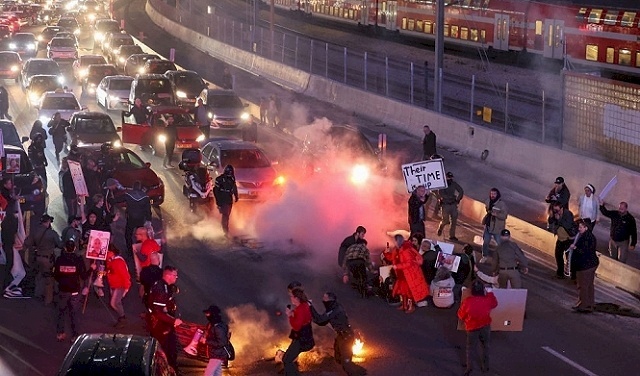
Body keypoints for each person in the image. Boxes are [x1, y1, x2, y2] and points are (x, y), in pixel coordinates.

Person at [310, 292, 367, 376]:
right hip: (341, 336)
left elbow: (320, 320)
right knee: (338, 358)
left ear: (330, 299)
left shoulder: (335, 310)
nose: (323, 299)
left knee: (346, 363)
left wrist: (310, 307)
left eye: (325, 298)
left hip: (346, 337)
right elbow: (322, 322)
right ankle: (356, 370)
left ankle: (358, 373)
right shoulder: (332, 308)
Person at [53, 240, 95, 341]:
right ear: (75, 249)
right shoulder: (78, 259)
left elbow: (56, 275)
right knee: (74, 313)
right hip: (74, 290)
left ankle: (60, 333)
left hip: (63, 289)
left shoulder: (59, 259)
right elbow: (84, 275)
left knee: (61, 312)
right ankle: (75, 335)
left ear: (65, 248)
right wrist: (92, 269)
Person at [458, 280, 498, 376]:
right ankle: (485, 367)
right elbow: (495, 303)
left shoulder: (468, 302)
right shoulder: (487, 300)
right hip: (485, 326)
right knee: (485, 346)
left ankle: (469, 367)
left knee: (470, 348)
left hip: (472, 327)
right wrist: (490, 293)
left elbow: (460, 315)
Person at [148, 266, 183, 370]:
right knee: (167, 350)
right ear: (168, 275)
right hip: (161, 326)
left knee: (170, 349)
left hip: (163, 324)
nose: (176, 278)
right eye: (175, 275)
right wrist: (173, 320)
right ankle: (167, 370)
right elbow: (158, 312)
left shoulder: (164, 286)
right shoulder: (161, 288)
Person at [24, 214, 62, 305]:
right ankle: (48, 300)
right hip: (47, 259)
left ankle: (37, 296)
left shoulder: (35, 231)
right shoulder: (52, 233)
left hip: (37, 258)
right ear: (48, 222)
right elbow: (60, 245)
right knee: (49, 279)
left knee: (39, 277)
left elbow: (27, 243)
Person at [392, 236, 429, 313]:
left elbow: (409, 263)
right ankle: (404, 305)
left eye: (394, 241)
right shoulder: (398, 249)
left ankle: (411, 307)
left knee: (408, 292)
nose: (393, 242)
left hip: (408, 274)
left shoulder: (406, 250)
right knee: (403, 291)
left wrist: (397, 266)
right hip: (402, 274)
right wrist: (386, 252)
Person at [569, 220, 599, 313]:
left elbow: (584, 252)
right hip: (591, 264)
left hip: (585, 266)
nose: (579, 229)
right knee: (589, 285)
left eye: (581, 227)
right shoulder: (589, 236)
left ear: (586, 228)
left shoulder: (586, 238)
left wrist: (575, 248)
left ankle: (584, 305)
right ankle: (590, 303)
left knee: (583, 285)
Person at [283, 287, 315, 376]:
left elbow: (297, 327)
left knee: (287, 360)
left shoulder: (301, 308)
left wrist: (290, 316)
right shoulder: (304, 306)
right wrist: (294, 313)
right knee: (287, 359)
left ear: (297, 298)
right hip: (305, 338)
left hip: (301, 339)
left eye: (292, 296)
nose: (291, 298)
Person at [548, 202, 576, 279]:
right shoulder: (555, 214)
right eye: (555, 210)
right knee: (558, 255)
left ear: (562, 208)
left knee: (569, 258)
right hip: (560, 239)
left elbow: (568, 225)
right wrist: (551, 216)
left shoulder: (568, 214)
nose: (556, 212)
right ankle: (560, 273)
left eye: (557, 210)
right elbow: (550, 223)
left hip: (568, 240)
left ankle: (574, 276)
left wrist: (559, 219)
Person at [124, 181, 152, 256]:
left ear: (133, 187)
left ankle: (130, 250)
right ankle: (140, 249)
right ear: (140, 187)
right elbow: (148, 210)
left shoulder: (128, 195)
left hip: (131, 218)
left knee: (128, 234)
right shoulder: (145, 197)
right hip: (140, 219)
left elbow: (119, 199)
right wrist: (149, 220)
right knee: (140, 234)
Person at [202, 304, 231, 376]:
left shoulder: (218, 327)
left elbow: (222, 343)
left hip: (218, 354)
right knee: (216, 373)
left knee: (208, 373)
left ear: (213, 314)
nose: (207, 315)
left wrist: (206, 341)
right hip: (217, 354)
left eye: (208, 314)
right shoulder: (214, 325)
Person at [436, 172, 464, 241]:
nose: (449, 179)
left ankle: (452, 235)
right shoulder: (442, 184)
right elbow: (440, 193)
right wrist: (447, 197)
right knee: (445, 220)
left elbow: (461, 191)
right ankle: (441, 227)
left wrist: (458, 199)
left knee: (454, 221)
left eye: (450, 177)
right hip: (445, 205)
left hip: (453, 204)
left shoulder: (454, 184)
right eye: (448, 177)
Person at [481, 188, 508, 257]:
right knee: (485, 243)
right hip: (488, 226)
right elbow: (487, 208)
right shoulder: (488, 201)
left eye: (494, 194)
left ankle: (503, 257)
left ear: (497, 194)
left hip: (497, 228)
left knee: (500, 244)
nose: (492, 195)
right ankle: (485, 256)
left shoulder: (502, 204)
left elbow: (504, 216)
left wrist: (497, 215)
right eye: (491, 194)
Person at [213, 165, 238, 236]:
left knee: (227, 215)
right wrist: (218, 202)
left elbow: (234, 187)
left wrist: (236, 196)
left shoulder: (232, 178)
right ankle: (225, 231)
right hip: (222, 198)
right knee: (225, 215)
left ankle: (226, 229)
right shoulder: (220, 179)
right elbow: (216, 191)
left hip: (229, 199)